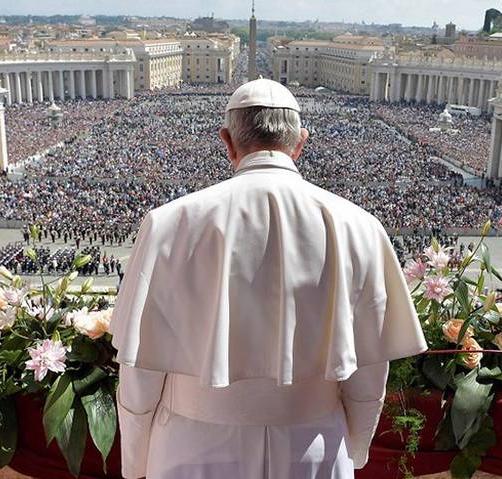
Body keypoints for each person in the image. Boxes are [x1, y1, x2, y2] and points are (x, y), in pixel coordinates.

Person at [109, 79, 427, 479]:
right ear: (300, 143)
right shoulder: (360, 226)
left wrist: (136, 457)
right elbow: (368, 374)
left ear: (227, 141)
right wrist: (356, 448)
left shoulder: (168, 224)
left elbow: (140, 370)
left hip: (191, 447)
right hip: (314, 446)